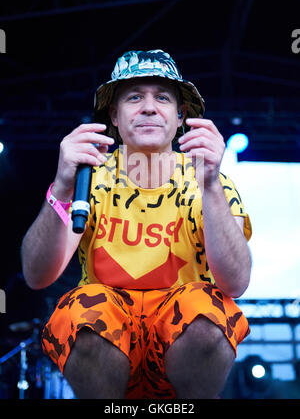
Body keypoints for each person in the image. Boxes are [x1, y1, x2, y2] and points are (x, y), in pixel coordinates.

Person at [21, 49, 252, 399]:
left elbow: (235, 284)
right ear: (114, 115)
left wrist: (211, 186)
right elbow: (37, 275)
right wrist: (62, 187)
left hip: (180, 344)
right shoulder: (88, 178)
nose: (148, 107)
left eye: (162, 97)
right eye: (134, 97)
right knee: (83, 305)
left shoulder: (212, 181)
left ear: (180, 117)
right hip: (108, 342)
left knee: (207, 308)